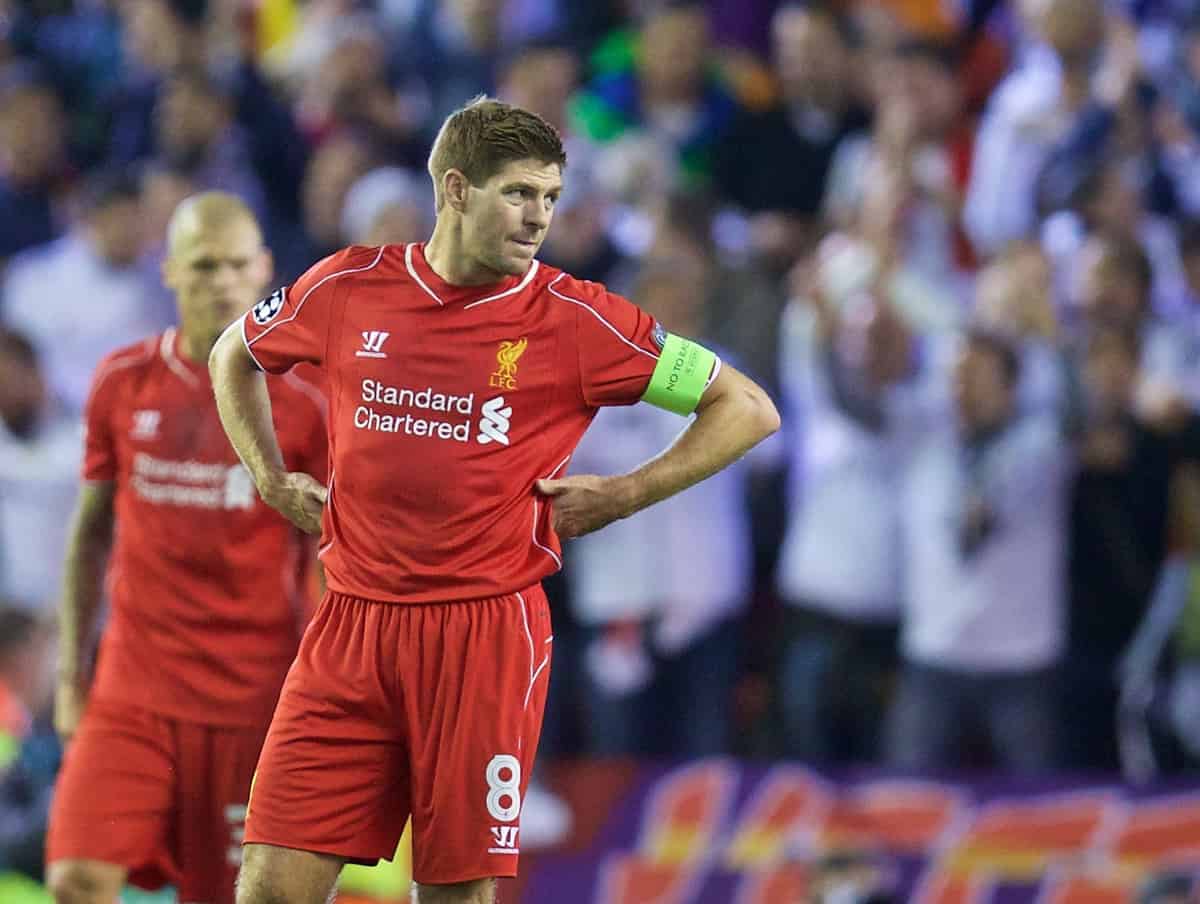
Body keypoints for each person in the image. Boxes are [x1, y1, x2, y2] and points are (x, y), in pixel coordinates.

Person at [208, 96, 780, 904]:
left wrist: (621, 494)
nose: (538, 216)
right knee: (267, 887)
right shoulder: (347, 286)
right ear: (454, 189)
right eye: (518, 192)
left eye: (550, 197)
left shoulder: (579, 319)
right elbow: (234, 351)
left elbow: (747, 407)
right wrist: (268, 475)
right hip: (350, 627)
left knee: (454, 896)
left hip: (482, 633)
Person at [44, 193, 328, 904]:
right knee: (77, 880)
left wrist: (327, 701)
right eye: (204, 265)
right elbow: (89, 537)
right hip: (132, 690)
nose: (223, 281)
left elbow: (333, 560)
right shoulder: (121, 381)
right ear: (169, 270)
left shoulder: (305, 402)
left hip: (253, 698)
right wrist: (72, 675)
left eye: (238, 265)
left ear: (264, 269)